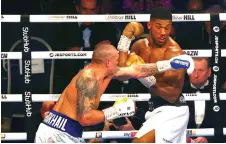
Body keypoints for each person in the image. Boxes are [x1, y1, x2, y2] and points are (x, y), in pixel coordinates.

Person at [35, 43, 194, 143]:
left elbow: (136, 70)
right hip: (58, 135)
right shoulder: (89, 79)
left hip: (62, 130)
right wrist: (115, 111)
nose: (119, 62)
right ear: (107, 62)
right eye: (117, 60)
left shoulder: (106, 72)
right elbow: (85, 118)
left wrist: (168, 64)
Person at [117, 7, 193, 143]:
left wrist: (143, 76)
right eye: (159, 27)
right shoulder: (140, 46)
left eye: (167, 27)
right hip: (154, 109)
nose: (163, 32)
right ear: (149, 25)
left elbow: (171, 95)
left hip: (174, 110)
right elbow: (122, 73)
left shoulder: (174, 53)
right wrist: (125, 39)